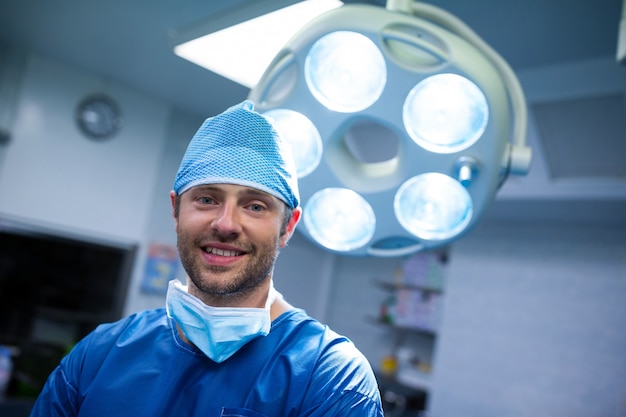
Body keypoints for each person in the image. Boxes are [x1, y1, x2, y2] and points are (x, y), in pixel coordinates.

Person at [30, 100, 384, 416]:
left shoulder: (329, 379)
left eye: (255, 206)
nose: (226, 224)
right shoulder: (97, 357)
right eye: (207, 199)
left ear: (287, 226)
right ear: (175, 210)